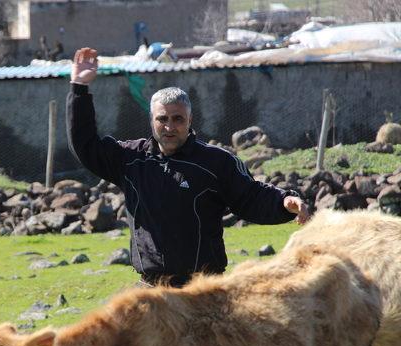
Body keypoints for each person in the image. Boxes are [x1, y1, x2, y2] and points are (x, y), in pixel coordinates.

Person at [67, 47, 309, 288]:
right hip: (151, 289)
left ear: (190, 120)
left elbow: (251, 196)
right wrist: (79, 87)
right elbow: (86, 146)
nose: (169, 127)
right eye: (162, 119)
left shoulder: (215, 162)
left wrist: (284, 202)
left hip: (202, 290)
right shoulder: (131, 159)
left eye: (177, 119)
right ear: (152, 121)